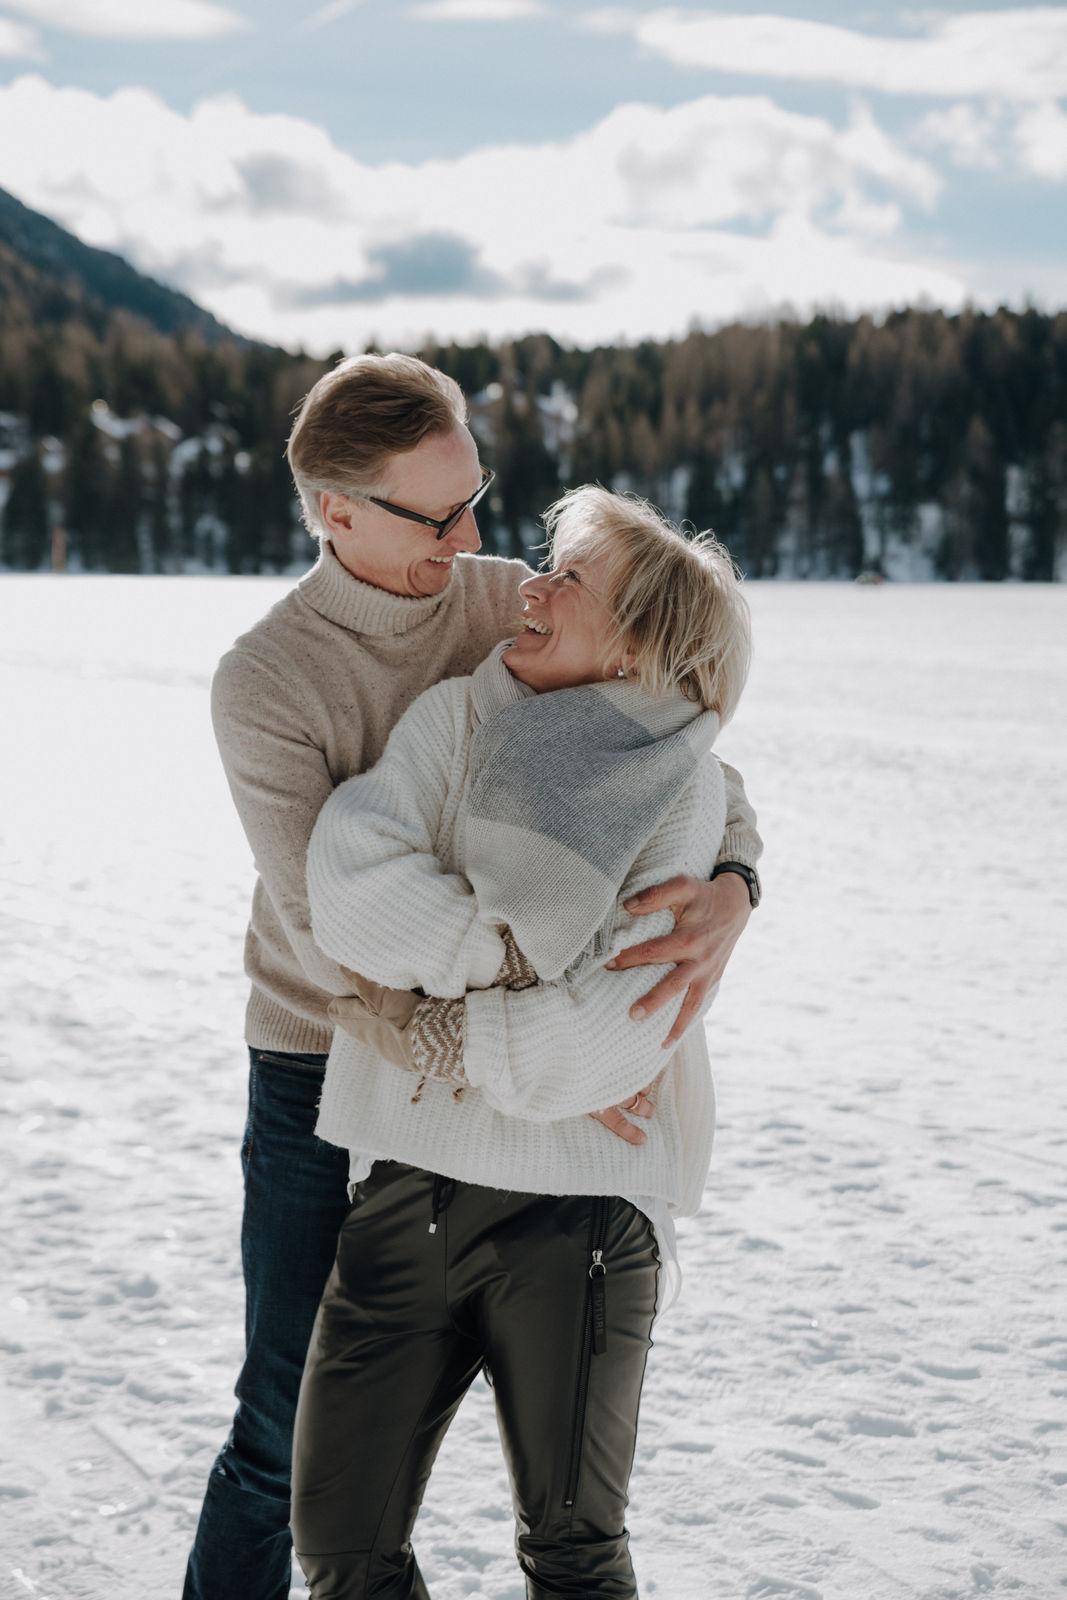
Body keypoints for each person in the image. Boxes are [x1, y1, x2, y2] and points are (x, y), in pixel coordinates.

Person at [183, 355, 762, 1600]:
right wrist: (516, 1056)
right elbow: (332, 929)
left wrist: (732, 881)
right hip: (322, 1050)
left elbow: (675, 748)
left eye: (476, 500)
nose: (472, 541)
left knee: (547, 1515)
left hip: (475, 1066)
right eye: (435, 514)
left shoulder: (504, 597)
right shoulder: (268, 678)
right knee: (282, 1427)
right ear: (336, 511)